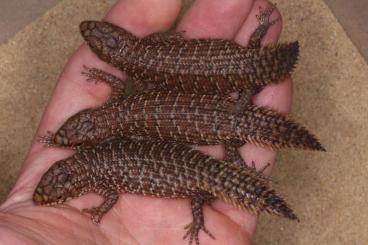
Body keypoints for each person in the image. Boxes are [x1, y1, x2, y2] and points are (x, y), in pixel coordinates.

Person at [0, 0, 293, 244]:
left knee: (206, 183)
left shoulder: (103, 162)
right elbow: (130, 155)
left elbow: (116, 185)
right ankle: (260, 185)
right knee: (210, 178)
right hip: (191, 147)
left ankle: (258, 185)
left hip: (191, 151)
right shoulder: (101, 153)